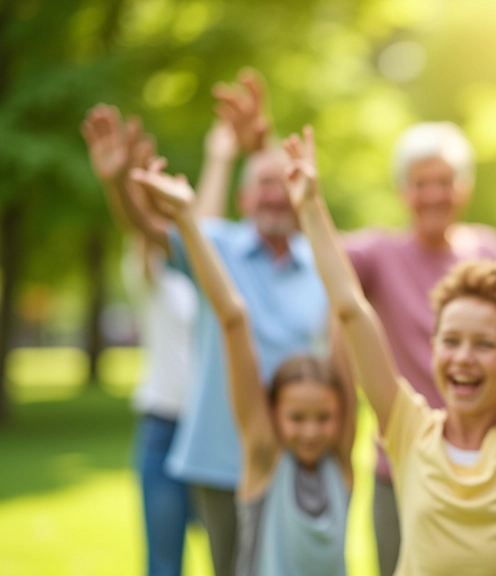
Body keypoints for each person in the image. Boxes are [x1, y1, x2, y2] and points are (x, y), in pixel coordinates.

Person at [282, 124, 496, 575]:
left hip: (495, 457)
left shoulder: (486, 248)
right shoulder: (381, 252)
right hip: (409, 458)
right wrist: (310, 205)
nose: (433, 195)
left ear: (463, 189)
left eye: (444, 182)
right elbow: (346, 300)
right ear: (403, 191)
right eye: (421, 184)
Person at [110, 69, 336, 576]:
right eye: (262, 187)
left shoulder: (321, 262)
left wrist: (264, 139)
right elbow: (148, 227)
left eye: (282, 186)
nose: (274, 195)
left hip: (298, 448)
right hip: (220, 455)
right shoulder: (218, 247)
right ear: (243, 200)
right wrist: (116, 186)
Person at [132, 160, 356, 576]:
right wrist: (182, 213)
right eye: (298, 418)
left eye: (322, 418)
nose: (311, 429)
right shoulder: (263, 452)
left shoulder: (337, 462)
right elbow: (233, 316)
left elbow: (348, 311)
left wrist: (312, 204)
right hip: (220, 457)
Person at [81, 105, 237, 576]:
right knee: (164, 566)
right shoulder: (146, 264)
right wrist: (117, 184)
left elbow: (202, 224)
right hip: (163, 429)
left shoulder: (212, 268)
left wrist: (221, 155)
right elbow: (139, 227)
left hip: (214, 429)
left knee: (229, 561)